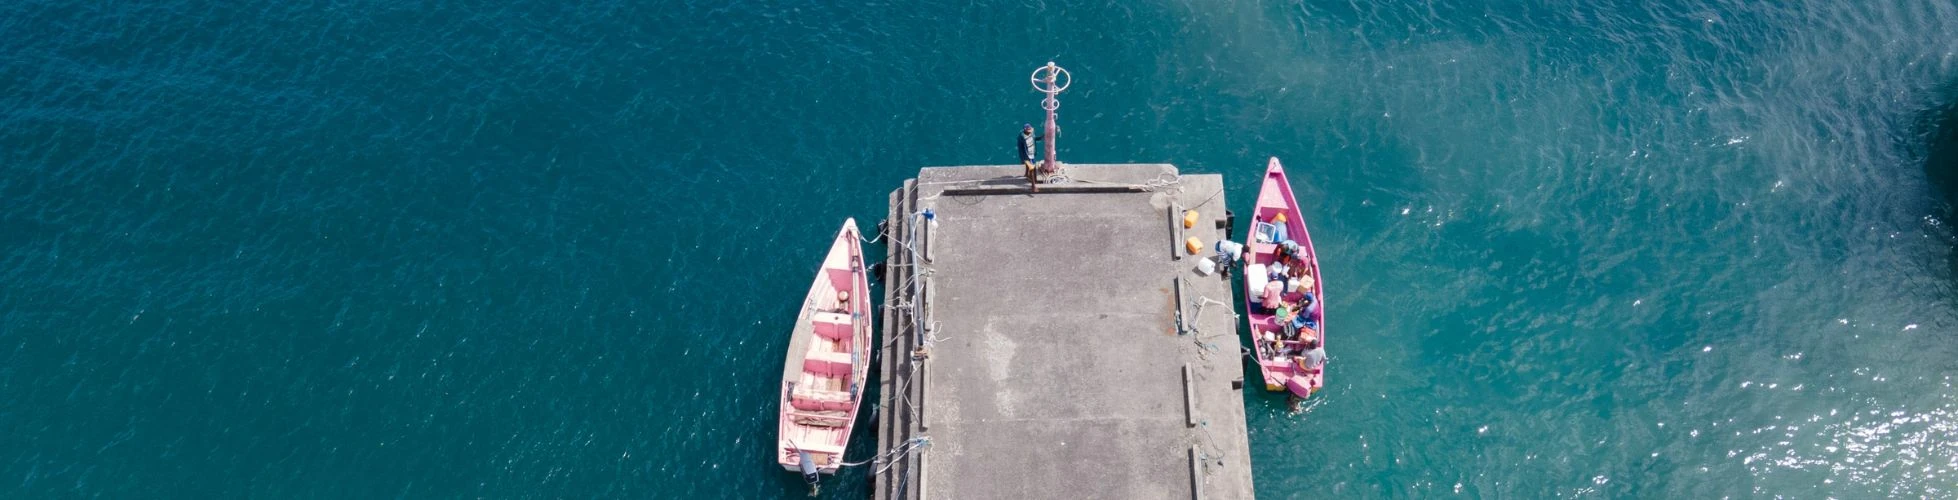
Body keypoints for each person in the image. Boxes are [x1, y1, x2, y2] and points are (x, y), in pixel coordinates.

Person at [1017, 124, 1042, 191]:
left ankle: (1026, 174)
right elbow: (1020, 148)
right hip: (1027, 156)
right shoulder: (1022, 137)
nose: (1030, 132)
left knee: (1031, 167)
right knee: (1032, 169)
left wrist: (1041, 137)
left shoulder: (1031, 133)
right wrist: (1023, 158)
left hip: (1032, 154)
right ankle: (1033, 186)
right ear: (1025, 130)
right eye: (1028, 131)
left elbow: (1034, 138)